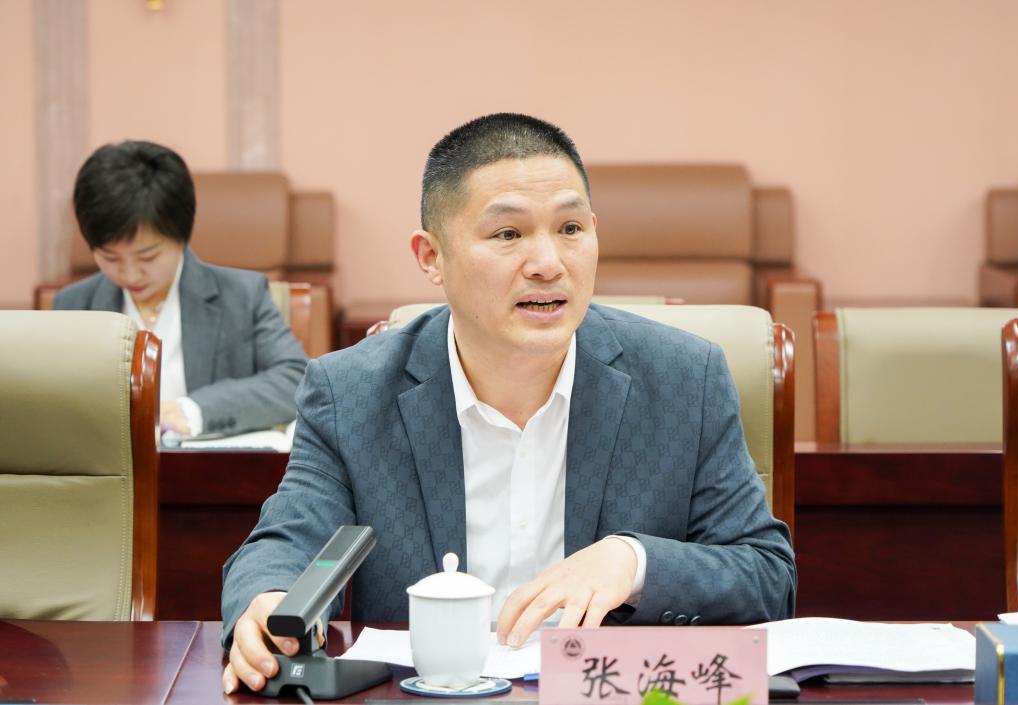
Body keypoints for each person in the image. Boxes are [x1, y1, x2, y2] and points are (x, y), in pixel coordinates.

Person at [220, 113, 796, 695]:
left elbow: (767, 575)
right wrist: (268, 600)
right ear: (431, 257)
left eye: (570, 228)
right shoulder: (351, 393)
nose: (548, 263)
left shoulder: (684, 380)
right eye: (508, 235)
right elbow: (288, 542)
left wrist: (635, 562)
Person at [54, 140, 308, 437]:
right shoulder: (74, 304)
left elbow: (296, 379)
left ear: (182, 237)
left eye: (147, 257)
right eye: (110, 258)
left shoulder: (242, 295)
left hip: (206, 462)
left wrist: (193, 411)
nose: (130, 274)